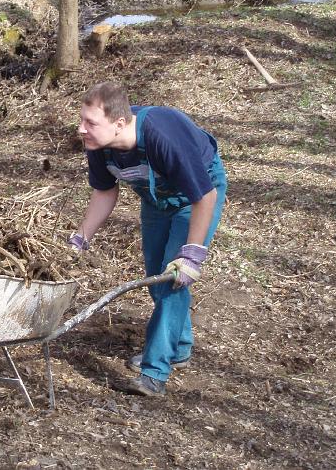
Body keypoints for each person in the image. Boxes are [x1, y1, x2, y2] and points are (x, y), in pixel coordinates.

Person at [69, 82, 227, 396]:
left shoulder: (161, 133)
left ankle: (154, 373)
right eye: (82, 120)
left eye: (90, 123)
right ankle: (178, 348)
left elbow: (204, 196)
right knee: (156, 275)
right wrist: (80, 238)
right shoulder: (100, 146)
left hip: (197, 196)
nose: (81, 129)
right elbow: (105, 191)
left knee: (173, 278)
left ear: (119, 124)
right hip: (156, 201)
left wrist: (193, 254)